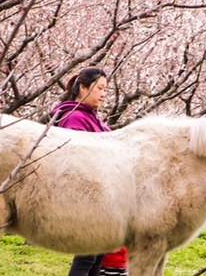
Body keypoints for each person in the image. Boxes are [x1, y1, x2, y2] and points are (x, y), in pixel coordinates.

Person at [50, 67, 128, 276]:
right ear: (83, 88)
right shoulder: (74, 118)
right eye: (99, 88)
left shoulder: (94, 118)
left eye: (105, 89)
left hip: (103, 197)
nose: (103, 94)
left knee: (96, 257)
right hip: (87, 196)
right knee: (88, 258)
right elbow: (76, 159)